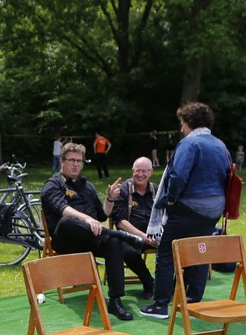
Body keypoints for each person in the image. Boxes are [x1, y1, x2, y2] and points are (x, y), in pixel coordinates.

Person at [140, 102, 230, 320]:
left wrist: (171, 200)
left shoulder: (189, 143)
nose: (181, 128)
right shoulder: (220, 145)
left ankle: (160, 305)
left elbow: (178, 176)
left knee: (166, 252)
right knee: (199, 251)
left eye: (182, 123)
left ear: (189, 122)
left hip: (191, 205)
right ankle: (193, 301)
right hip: (215, 208)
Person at [40, 142, 149, 321]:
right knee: (68, 221)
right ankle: (120, 234)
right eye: (71, 160)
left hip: (91, 238)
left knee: (113, 242)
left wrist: (110, 199)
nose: (76, 164)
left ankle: (115, 300)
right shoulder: (52, 185)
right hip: (66, 240)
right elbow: (63, 209)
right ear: (62, 161)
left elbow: (102, 215)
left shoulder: (87, 186)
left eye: (79, 161)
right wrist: (87, 219)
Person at [105, 158, 158, 297]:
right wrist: (144, 236)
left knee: (176, 245)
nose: (140, 175)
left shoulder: (157, 190)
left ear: (151, 172)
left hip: (155, 235)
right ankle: (149, 282)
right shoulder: (123, 190)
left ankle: (173, 285)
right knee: (127, 251)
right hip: (131, 237)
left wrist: (159, 235)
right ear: (132, 171)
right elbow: (120, 222)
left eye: (144, 171)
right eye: (137, 171)